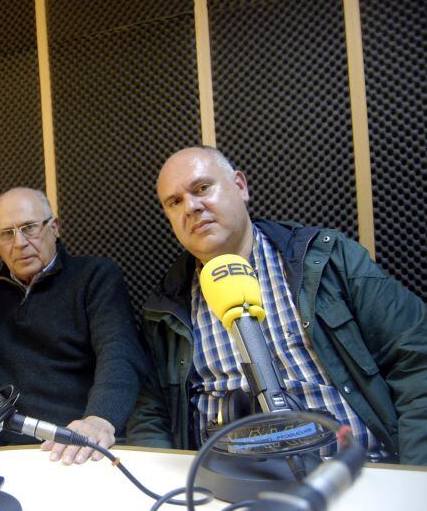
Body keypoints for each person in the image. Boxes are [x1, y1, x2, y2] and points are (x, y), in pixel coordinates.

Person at [127, 146, 427, 466]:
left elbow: (416, 359)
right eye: (174, 202)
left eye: (202, 188)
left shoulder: (327, 259)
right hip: (230, 485)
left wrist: (415, 475)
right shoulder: (165, 308)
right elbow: (150, 413)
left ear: (240, 186)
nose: (191, 206)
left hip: (358, 472)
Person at [0, 187, 146, 465]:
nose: (19, 242)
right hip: (11, 449)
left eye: (29, 228)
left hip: (81, 444)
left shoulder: (95, 277)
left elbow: (119, 352)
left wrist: (99, 419)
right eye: (6, 234)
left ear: (54, 227)